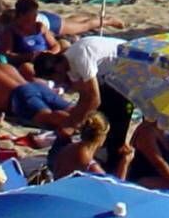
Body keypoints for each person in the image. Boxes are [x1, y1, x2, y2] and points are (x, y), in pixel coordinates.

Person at [32, 35, 131, 171]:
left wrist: (73, 126)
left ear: (58, 69)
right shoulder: (68, 64)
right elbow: (85, 98)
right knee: (98, 118)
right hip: (110, 78)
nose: (58, 82)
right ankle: (106, 155)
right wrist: (70, 122)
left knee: (115, 123)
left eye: (54, 78)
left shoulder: (80, 58)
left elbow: (95, 99)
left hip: (129, 67)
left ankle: (116, 163)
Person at [48, 110, 134, 180]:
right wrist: (125, 162)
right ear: (101, 137)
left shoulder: (67, 149)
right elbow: (115, 190)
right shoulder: (91, 167)